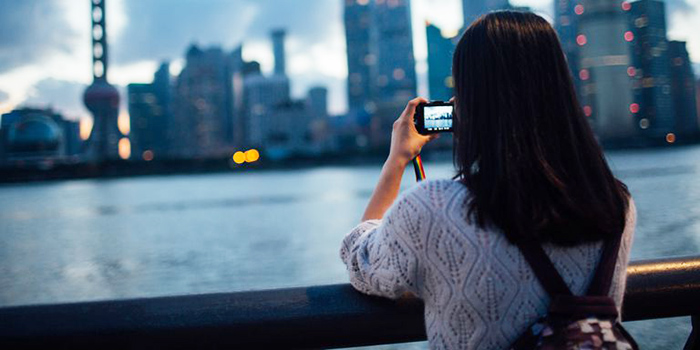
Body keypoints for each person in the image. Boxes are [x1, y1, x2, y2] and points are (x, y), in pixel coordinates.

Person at [339, 11, 635, 350]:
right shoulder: (616, 201)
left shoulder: (434, 205)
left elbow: (362, 263)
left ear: (472, 99)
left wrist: (396, 160)